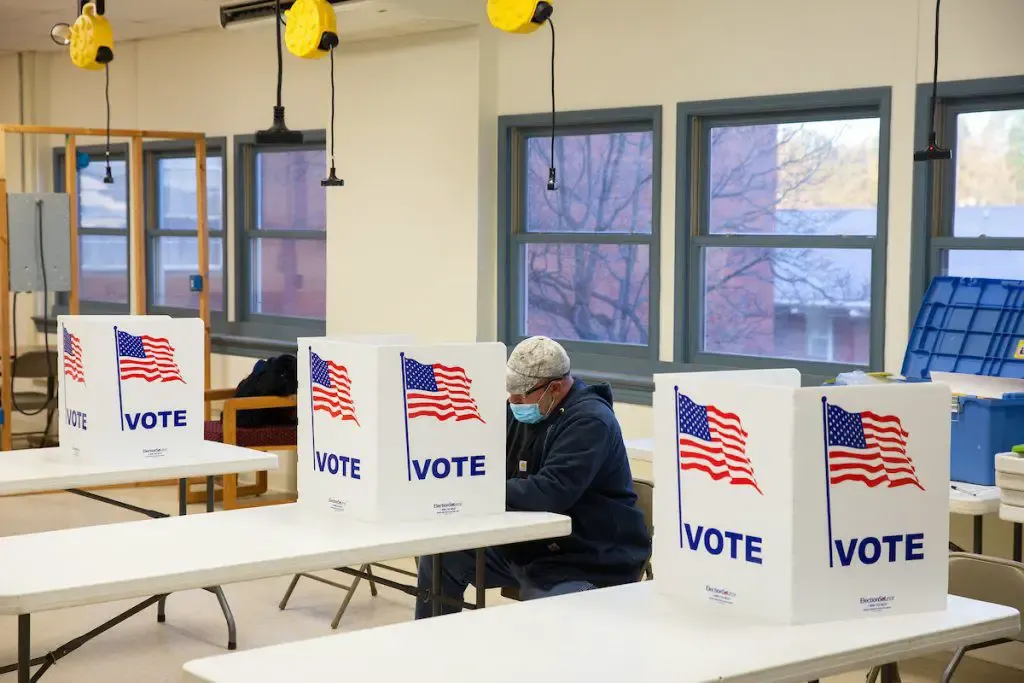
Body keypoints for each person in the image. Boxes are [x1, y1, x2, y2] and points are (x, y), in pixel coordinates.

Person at [414, 336, 651, 619]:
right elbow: (486, 463)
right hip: (529, 547)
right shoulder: (524, 412)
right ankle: (434, 646)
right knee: (441, 556)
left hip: (588, 555)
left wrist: (478, 490)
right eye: (510, 392)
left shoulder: (590, 421)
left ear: (554, 387)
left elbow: (551, 491)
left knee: (543, 614)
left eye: (521, 394)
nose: (512, 401)